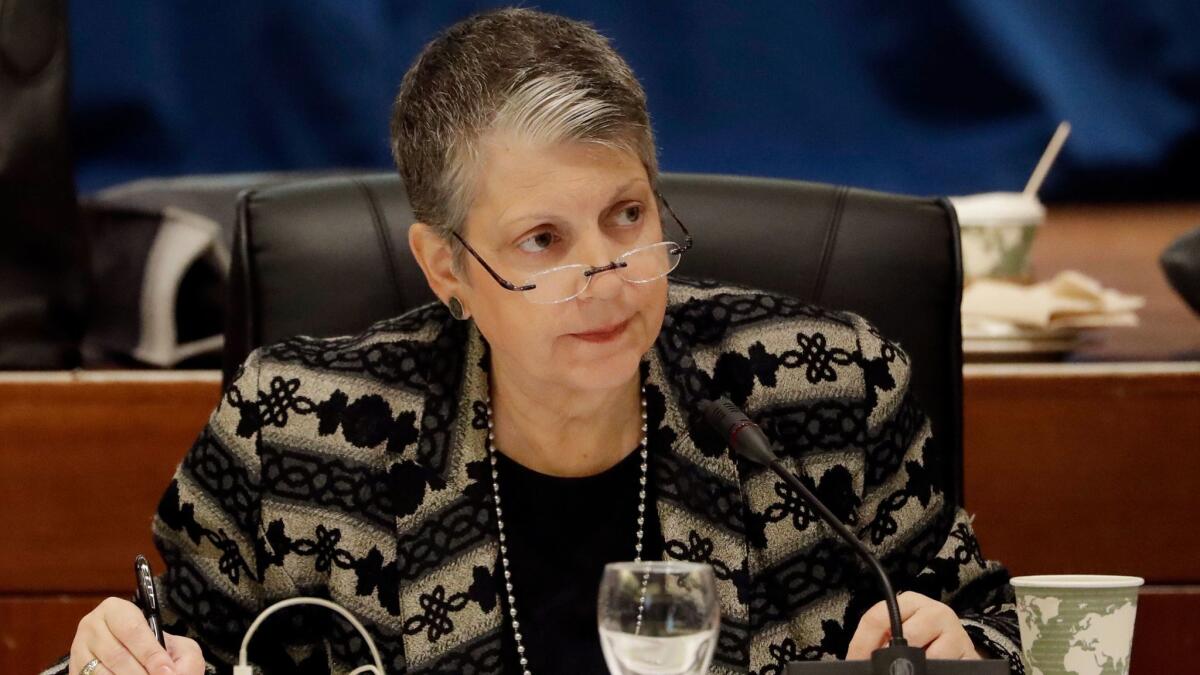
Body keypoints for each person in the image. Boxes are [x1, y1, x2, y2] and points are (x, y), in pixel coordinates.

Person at [50, 8, 1023, 675]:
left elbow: (995, 630)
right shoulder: (300, 434)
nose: (605, 275)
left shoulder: (822, 396)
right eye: (543, 240)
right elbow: (168, 649)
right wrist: (109, 658)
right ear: (446, 270)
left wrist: (958, 647)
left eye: (627, 215)